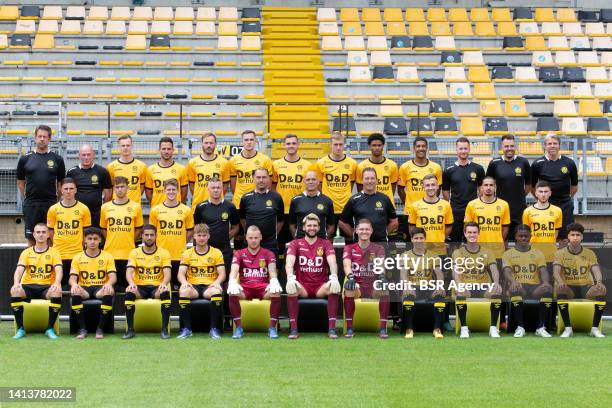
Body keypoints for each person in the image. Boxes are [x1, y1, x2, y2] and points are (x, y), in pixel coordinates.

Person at [285, 214, 340, 339]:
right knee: (291, 287)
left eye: (315, 225)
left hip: (320, 286)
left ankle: (331, 329)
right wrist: (290, 277)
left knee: (334, 287)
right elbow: (289, 263)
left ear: (319, 227)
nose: (312, 228)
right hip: (302, 286)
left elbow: (333, 262)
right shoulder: (295, 243)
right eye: (309, 225)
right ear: (303, 227)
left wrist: (334, 276)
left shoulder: (326, 243)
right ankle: (293, 329)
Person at [227, 225, 282, 339]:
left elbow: (272, 270)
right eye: (251, 237)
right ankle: (238, 328)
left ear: (260, 237)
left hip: (263, 288)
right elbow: (234, 270)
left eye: (256, 238)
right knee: (232, 292)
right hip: (245, 288)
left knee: (276, 292)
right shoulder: (239, 253)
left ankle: (272, 328)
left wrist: (274, 280)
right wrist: (232, 281)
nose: (253, 240)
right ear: (246, 238)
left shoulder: (268, 253)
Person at [553, 222, 606, 338]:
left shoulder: (589, 253)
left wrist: (599, 282)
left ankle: (595, 328)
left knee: (601, 290)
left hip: (585, 287)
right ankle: (568, 328)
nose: (575, 237)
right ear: (568, 236)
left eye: (578, 235)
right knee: (560, 289)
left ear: (582, 237)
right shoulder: (560, 253)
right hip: (569, 287)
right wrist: (561, 282)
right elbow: (556, 272)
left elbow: (596, 270)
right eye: (572, 235)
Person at [11, 223, 63, 340]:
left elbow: (59, 270)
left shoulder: (54, 252)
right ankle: (20, 329)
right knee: (15, 291)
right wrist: (16, 283)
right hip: (29, 286)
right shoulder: (26, 252)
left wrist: (57, 283)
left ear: (49, 234)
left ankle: (49, 329)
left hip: (46, 287)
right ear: (34, 235)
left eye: (44, 232)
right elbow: (19, 270)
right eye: (38, 232)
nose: (41, 235)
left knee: (56, 292)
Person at [452, 222, 502, 339]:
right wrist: (459, 285)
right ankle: (464, 328)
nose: (472, 235)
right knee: (460, 293)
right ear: (465, 233)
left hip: (482, 286)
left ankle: (493, 328)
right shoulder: (458, 252)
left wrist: (496, 282)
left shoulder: (488, 252)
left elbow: (494, 269)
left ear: (479, 234)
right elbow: (456, 271)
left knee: (496, 292)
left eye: (475, 232)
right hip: (466, 286)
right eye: (469, 232)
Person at [17, 125, 65, 245]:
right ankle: (30, 263)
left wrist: (58, 200)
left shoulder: (57, 159)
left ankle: (50, 263)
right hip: (31, 204)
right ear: (35, 138)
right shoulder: (25, 159)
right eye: (39, 136)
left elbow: (61, 183)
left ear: (49, 139)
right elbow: (20, 182)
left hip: (51, 203)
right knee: (32, 238)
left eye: (45, 136)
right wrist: (27, 198)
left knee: (51, 237)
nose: (42, 139)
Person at [502, 224, 553, 338]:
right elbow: (507, 271)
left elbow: (543, 271)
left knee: (547, 291)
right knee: (515, 290)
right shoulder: (508, 254)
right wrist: (513, 281)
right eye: (521, 236)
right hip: (519, 285)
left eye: (526, 236)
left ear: (530, 236)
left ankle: (541, 327)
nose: (523, 238)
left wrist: (545, 282)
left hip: (534, 287)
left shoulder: (538, 253)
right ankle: (520, 327)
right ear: (516, 236)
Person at [176, 223, 226, 340]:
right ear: (194, 237)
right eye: (199, 235)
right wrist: (184, 282)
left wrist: (217, 282)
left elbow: (222, 273)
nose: (202, 238)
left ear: (208, 236)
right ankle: (187, 329)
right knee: (183, 292)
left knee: (216, 292)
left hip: (209, 286)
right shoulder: (187, 253)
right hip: (193, 286)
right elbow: (181, 273)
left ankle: (214, 328)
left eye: (204, 235)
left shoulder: (216, 252)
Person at [122, 224, 172, 340]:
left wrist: (164, 284)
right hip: (140, 287)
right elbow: (129, 272)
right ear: (142, 236)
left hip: (156, 287)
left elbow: (167, 274)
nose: (149, 237)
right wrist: (131, 284)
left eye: (152, 235)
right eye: (146, 235)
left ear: (156, 236)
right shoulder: (134, 252)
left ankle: (164, 330)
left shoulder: (164, 253)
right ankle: (130, 330)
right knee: (129, 293)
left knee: (165, 292)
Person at [342, 218, 390, 338]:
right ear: (356, 231)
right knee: (349, 288)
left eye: (367, 229)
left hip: (373, 287)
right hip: (357, 286)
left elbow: (381, 265)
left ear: (371, 231)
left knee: (384, 288)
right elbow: (346, 265)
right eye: (362, 229)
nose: (364, 231)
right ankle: (349, 329)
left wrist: (382, 277)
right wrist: (350, 277)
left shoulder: (379, 248)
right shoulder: (349, 248)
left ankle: (383, 330)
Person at [69, 227, 116, 339]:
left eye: (95, 239)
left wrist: (109, 284)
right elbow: (72, 278)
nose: (92, 242)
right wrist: (74, 285)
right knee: (75, 292)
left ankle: (100, 328)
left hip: (100, 287)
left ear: (100, 240)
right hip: (84, 288)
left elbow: (113, 277)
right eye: (89, 239)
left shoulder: (107, 256)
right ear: (85, 240)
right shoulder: (77, 257)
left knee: (109, 292)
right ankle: (82, 329)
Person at [530, 134, 578, 242]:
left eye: (555, 143)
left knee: (564, 237)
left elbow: (574, 186)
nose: (552, 146)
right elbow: (533, 187)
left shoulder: (569, 163)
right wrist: (542, 199)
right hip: (546, 205)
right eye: (549, 144)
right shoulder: (537, 164)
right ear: (545, 146)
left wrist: (566, 198)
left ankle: (563, 259)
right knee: (546, 236)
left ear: (559, 146)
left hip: (565, 205)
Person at [400, 228, 446, 339]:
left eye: (421, 238)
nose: (419, 240)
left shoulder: (433, 255)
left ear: (425, 239)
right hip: (413, 286)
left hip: (428, 287)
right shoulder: (405, 255)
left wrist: (439, 285)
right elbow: (403, 274)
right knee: (408, 295)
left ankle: (437, 329)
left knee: (440, 295)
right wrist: (407, 286)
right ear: (412, 240)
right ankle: (409, 329)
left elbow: (439, 274)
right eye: (416, 238)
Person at [100, 176, 144, 290]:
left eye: (122, 187)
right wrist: (110, 239)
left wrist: (129, 239)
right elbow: (103, 229)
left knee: (128, 287)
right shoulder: (105, 207)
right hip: (110, 253)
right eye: (117, 187)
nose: (120, 189)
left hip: (129, 253)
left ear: (127, 188)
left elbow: (139, 229)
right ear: (114, 188)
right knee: (111, 288)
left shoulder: (136, 207)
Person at [149, 179, 194, 288]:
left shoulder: (186, 210)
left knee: (180, 287)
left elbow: (191, 230)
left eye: (174, 189)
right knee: (162, 288)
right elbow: (152, 232)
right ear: (164, 191)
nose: (171, 192)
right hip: (161, 256)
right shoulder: (156, 210)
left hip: (180, 255)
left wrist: (183, 241)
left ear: (178, 191)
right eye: (168, 189)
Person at [46, 178, 91, 285]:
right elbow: (50, 231)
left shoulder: (84, 209)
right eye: (66, 188)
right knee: (57, 286)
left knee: (76, 286)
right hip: (58, 254)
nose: (68, 191)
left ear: (76, 190)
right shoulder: (53, 209)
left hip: (77, 254)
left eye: (71, 188)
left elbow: (86, 232)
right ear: (61, 190)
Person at [272, 134, 314, 248]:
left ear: (298, 145)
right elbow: (272, 187)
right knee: (279, 243)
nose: (291, 146)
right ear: (284, 145)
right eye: (288, 143)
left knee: (299, 244)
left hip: (299, 210)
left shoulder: (308, 165)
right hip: (281, 210)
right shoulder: (276, 165)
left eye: (294, 143)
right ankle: (279, 266)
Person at [485, 135, 531, 240]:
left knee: (520, 239)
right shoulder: (494, 163)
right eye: (506, 146)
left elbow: (528, 185)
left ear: (515, 146)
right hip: (499, 209)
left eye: (512, 146)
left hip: (519, 209)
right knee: (501, 238)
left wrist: (519, 196)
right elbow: (488, 184)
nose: (509, 148)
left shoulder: (523, 162)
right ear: (502, 147)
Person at [442, 137, 485, 244]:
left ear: (469, 149)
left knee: (472, 241)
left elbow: (481, 188)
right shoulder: (449, 170)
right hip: (455, 211)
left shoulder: (478, 168)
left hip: (473, 210)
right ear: (456, 150)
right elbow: (445, 191)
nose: (463, 151)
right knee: (455, 242)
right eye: (461, 149)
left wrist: (477, 203)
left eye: (465, 148)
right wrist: (452, 205)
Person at [193, 177, 239, 273]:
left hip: (224, 249)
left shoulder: (230, 206)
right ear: (208, 189)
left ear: (222, 189)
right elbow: (196, 228)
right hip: (205, 249)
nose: (216, 190)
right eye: (213, 188)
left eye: (218, 187)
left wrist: (227, 237)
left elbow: (236, 227)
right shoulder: (201, 207)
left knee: (225, 278)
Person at [339, 168, 398, 242]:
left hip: (381, 243)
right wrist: (354, 234)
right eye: (367, 178)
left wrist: (384, 233)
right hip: (361, 244)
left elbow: (394, 221)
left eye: (372, 178)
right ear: (362, 181)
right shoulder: (354, 200)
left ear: (377, 181)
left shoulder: (384, 198)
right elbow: (342, 222)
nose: (369, 181)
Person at [315, 132, 357, 233]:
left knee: (348, 238)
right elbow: (319, 185)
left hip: (346, 208)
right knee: (327, 238)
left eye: (341, 144)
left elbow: (350, 184)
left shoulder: (352, 163)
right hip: (328, 208)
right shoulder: (321, 163)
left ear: (344, 145)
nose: (338, 147)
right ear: (330, 145)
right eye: (335, 144)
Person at [463, 176, 511, 259]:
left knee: (496, 272)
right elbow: (467, 229)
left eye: (491, 185)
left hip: (497, 251)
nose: (488, 188)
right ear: (481, 188)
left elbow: (505, 229)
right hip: (477, 250)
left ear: (495, 187)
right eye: (485, 185)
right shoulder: (472, 204)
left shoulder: (504, 205)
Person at [239, 168, 284, 254]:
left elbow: (280, 220)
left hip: (270, 243)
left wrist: (273, 235)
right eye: (258, 177)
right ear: (253, 178)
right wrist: (251, 234)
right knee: (248, 267)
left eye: (264, 177)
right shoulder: (246, 198)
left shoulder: (276, 197)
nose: (261, 180)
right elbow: (242, 219)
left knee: (272, 267)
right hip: (250, 242)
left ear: (269, 179)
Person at [66, 144, 112, 227]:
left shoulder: (102, 171)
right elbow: (67, 191)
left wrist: (103, 209)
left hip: (96, 213)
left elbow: (108, 192)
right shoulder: (71, 172)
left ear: (93, 155)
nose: (86, 157)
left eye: (88, 154)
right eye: (83, 155)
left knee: (95, 237)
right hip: (77, 213)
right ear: (79, 156)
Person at [407, 173, 453, 256]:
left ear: (437, 186)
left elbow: (449, 226)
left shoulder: (446, 205)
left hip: (439, 250)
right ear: (423, 187)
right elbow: (411, 227)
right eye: (427, 185)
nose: (430, 188)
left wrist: (441, 239)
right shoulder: (415, 206)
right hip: (421, 250)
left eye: (433, 185)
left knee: (440, 269)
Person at [228, 130, 273, 209]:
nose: (249, 142)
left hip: (259, 201)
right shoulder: (233, 160)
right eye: (246, 140)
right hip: (239, 201)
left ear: (255, 141)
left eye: (251, 140)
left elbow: (268, 184)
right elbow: (233, 187)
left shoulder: (265, 160)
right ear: (242, 142)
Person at [522, 180, 563, 263]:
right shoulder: (527, 211)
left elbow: (556, 232)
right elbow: (525, 234)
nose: (543, 194)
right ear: (536, 193)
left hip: (551, 254)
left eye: (546, 191)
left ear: (550, 193)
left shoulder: (557, 211)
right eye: (540, 192)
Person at [187, 132, 230, 208]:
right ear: (202, 144)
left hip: (218, 205)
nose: (209, 145)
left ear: (215, 144)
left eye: (211, 143)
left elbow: (225, 185)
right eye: (206, 143)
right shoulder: (192, 162)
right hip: (198, 204)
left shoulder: (224, 162)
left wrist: (216, 196)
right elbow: (192, 185)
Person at [288, 171, 335, 239]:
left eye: (313, 179)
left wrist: (323, 239)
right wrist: (298, 239)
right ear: (304, 181)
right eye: (308, 180)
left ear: (318, 181)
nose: (311, 182)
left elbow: (331, 226)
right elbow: (292, 225)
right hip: (301, 241)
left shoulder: (327, 201)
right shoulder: (296, 200)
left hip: (320, 243)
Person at [355, 133, 399, 205]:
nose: (377, 148)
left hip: (386, 205)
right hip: (368, 204)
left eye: (379, 145)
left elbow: (393, 186)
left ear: (383, 146)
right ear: (369, 146)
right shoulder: (361, 166)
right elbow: (360, 189)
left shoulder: (392, 165)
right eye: (374, 145)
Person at [398, 136, 442, 206]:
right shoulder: (404, 167)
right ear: (414, 148)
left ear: (427, 148)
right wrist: (408, 204)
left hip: (429, 207)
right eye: (418, 146)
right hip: (411, 210)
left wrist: (431, 202)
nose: (421, 148)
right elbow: (400, 189)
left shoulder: (436, 167)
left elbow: (438, 188)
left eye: (423, 146)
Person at [145, 137, 188, 208]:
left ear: (173, 150)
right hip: (157, 210)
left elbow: (184, 194)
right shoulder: (150, 170)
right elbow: (149, 194)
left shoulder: (181, 169)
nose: (166, 151)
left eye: (169, 149)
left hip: (176, 209)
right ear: (159, 150)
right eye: (164, 149)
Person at [106, 135, 148, 204]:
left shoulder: (142, 166)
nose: (125, 148)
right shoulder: (111, 167)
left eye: (128, 145)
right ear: (118, 147)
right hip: (117, 206)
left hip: (134, 206)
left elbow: (141, 187)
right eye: (123, 146)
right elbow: (111, 188)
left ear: (132, 146)